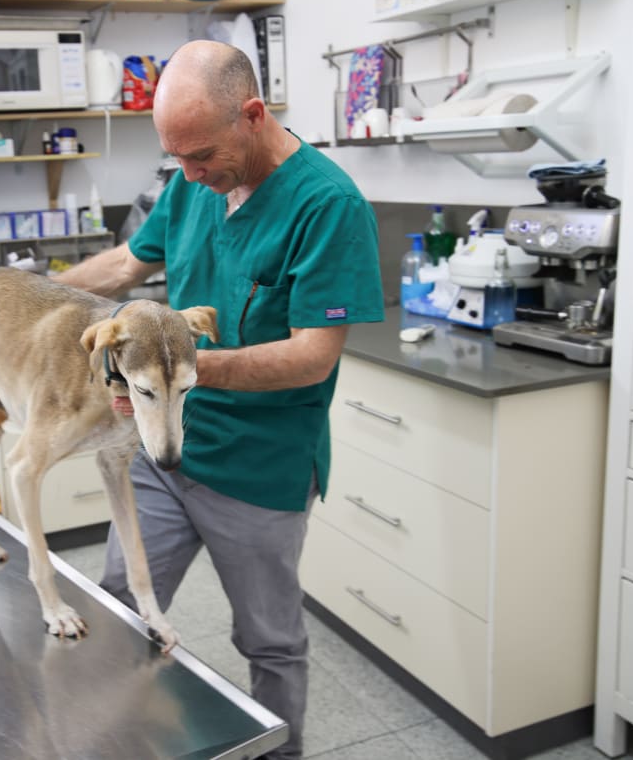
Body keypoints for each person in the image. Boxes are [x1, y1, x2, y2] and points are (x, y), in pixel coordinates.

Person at [56, 39, 383, 759]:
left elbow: (310, 356)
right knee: (118, 605)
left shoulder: (328, 206)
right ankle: (119, 741)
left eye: (201, 157)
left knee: (269, 641)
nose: (190, 176)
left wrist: (180, 369)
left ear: (254, 114)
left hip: (260, 468)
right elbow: (126, 262)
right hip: (165, 450)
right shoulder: (192, 181)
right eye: (177, 160)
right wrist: (23, 296)